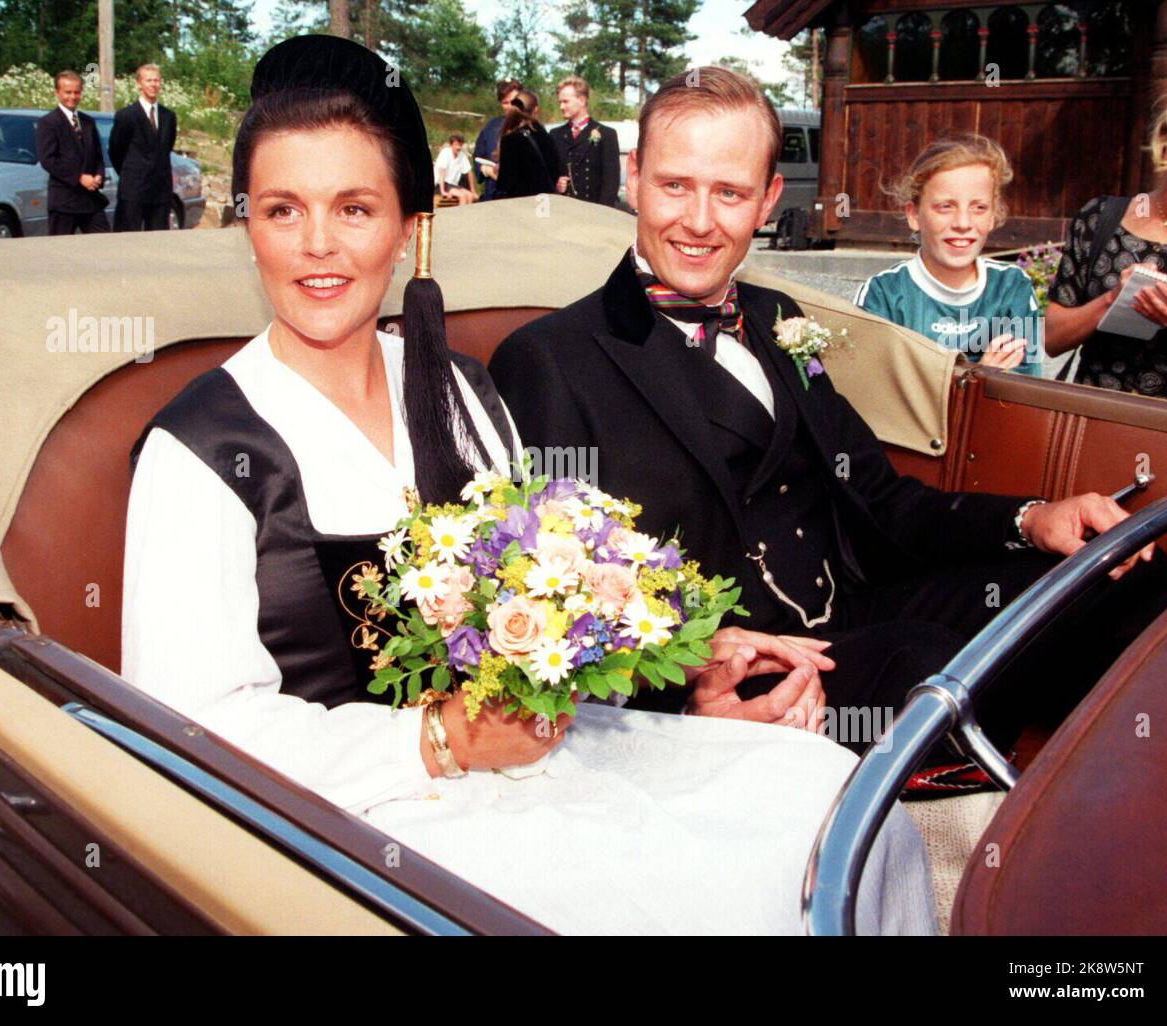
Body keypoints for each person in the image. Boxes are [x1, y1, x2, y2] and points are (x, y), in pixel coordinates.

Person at [121, 36, 936, 935]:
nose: (319, 246)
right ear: (248, 227)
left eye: (355, 209)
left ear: (406, 227)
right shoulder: (202, 446)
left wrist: (685, 682)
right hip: (359, 817)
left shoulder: (463, 395)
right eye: (283, 210)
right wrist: (441, 738)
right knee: (720, 899)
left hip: (543, 755)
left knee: (835, 799)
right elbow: (188, 735)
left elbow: (559, 616)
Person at [489, 67, 1167, 764]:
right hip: (733, 678)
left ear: (768, 200)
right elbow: (556, 606)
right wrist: (689, 682)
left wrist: (1032, 519)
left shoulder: (776, 319)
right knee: (928, 671)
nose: (699, 221)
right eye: (675, 185)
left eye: (729, 192)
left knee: (1120, 578)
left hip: (849, 606)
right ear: (633, 178)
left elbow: (883, 501)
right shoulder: (548, 360)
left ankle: (1120, 805)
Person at [1045, 85, 1167, 400]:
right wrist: (1110, 300)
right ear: (1165, 138)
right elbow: (1051, 339)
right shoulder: (1101, 217)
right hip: (1095, 418)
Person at [855, 135, 1038, 376]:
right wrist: (980, 377)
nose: (963, 223)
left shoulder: (1013, 287)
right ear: (914, 214)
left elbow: (1027, 393)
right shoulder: (882, 295)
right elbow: (878, 396)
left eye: (979, 207)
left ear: (993, 215)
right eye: (946, 206)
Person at [34, 70, 110, 236]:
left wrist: (99, 175)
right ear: (58, 93)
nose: (72, 97)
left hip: (90, 200)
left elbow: (98, 156)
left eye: (77, 92)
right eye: (68, 92)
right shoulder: (49, 122)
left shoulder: (88, 122)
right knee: (60, 251)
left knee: (105, 245)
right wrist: (79, 177)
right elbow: (48, 160)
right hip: (64, 201)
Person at [109, 64, 178, 231]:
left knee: (157, 244)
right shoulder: (126, 115)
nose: (153, 84)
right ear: (139, 83)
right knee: (128, 242)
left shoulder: (168, 116)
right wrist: (132, 173)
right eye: (149, 80)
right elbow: (116, 150)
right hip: (133, 190)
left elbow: (166, 148)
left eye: (156, 80)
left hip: (160, 191)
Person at [549, 76, 620, 206]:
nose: (561, 106)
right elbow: (548, 176)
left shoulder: (607, 134)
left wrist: (603, 214)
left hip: (594, 211)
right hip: (564, 210)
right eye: (560, 102)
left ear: (581, 100)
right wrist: (557, 185)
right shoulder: (555, 135)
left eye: (565, 102)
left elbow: (611, 182)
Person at [492, 100, 555, 200]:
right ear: (535, 110)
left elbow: (505, 185)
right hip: (546, 202)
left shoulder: (509, 139)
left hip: (521, 202)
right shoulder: (546, 135)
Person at [471, 79, 520, 202]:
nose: (510, 106)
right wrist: (486, 170)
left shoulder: (533, 128)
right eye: (505, 103)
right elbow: (478, 156)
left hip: (520, 198)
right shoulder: (491, 126)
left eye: (514, 102)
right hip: (493, 196)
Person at [433, 133, 476, 205]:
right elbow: (442, 171)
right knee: (462, 196)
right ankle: (460, 215)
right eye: (456, 145)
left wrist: (473, 190)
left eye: (460, 145)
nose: (458, 147)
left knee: (470, 196)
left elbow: (469, 172)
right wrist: (443, 191)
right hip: (440, 184)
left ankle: (467, 215)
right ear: (451, 145)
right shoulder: (446, 152)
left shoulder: (462, 155)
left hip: (452, 185)